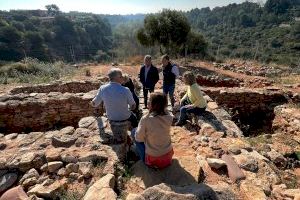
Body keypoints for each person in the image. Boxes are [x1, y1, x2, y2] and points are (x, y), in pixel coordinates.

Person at [132, 92, 174, 169]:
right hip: (168, 157)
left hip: (154, 160)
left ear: (153, 104)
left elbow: (139, 138)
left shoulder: (145, 119)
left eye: (149, 100)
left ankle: (144, 160)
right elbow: (165, 111)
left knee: (134, 132)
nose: (147, 101)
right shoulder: (169, 117)